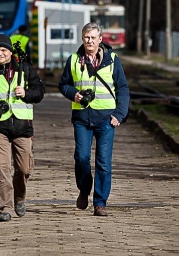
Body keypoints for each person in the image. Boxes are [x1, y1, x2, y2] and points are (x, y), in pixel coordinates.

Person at [58, 22, 130, 217]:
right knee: (81, 158)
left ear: (100, 39)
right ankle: (84, 189)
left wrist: (119, 114)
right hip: (82, 118)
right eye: (86, 37)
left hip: (107, 119)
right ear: (82, 39)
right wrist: (74, 94)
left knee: (103, 162)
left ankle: (100, 203)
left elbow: (122, 89)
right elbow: (63, 84)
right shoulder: (73, 60)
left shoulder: (113, 60)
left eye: (93, 37)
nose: (89, 41)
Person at [0, 33, 45, 222]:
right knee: (2, 166)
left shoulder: (25, 68)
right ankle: (5, 208)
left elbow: (39, 93)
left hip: (22, 126)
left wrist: (26, 93)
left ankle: (19, 198)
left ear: (10, 52)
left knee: (24, 169)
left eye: (3, 50)